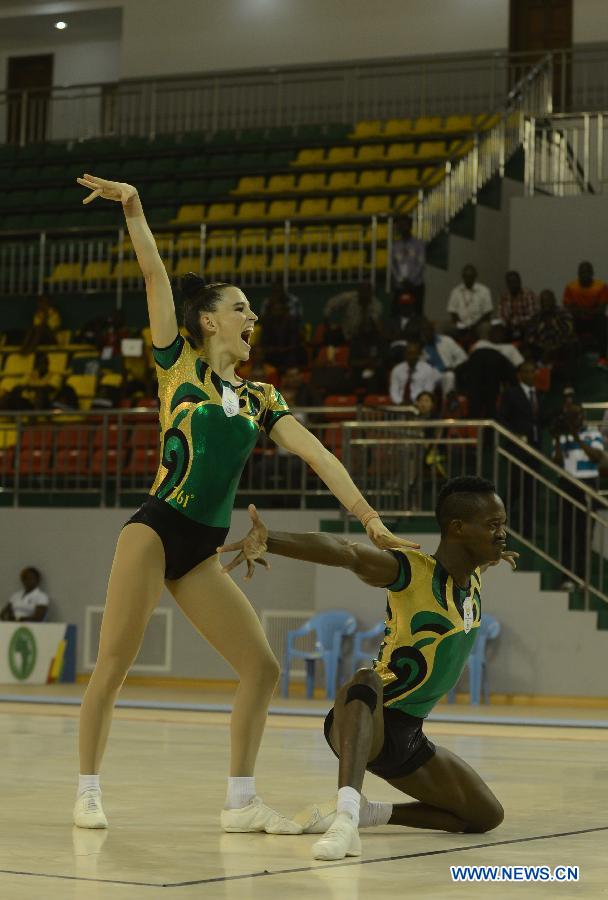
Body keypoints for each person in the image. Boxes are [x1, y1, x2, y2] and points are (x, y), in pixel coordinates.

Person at [72, 172, 418, 834]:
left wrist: (371, 521)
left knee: (261, 667)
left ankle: (239, 801)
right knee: (114, 663)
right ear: (210, 320)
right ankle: (87, 787)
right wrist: (135, 211)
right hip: (155, 528)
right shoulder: (177, 364)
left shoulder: (263, 396)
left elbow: (318, 455)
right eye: (242, 309)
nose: (253, 319)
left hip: (204, 547)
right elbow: (153, 278)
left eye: (253, 313)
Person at [218, 477, 518, 860]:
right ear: (458, 529)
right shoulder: (411, 571)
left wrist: (492, 555)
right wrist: (270, 539)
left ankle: (370, 812)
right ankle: (346, 820)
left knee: (484, 816)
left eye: (502, 524)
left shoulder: (473, 577)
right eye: (493, 525)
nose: (502, 534)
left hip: (408, 738)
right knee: (365, 678)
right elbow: (348, 552)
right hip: (366, 718)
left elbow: (478, 564)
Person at [552, 404, 605, 583]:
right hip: (566, 484)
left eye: (576, 414)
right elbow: (556, 462)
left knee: (584, 533)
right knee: (566, 532)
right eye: (570, 415)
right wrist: (558, 440)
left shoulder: (593, 434)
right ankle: (566, 575)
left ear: (582, 416)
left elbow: (597, 457)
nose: (573, 418)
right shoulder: (561, 434)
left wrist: (577, 437)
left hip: (587, 485)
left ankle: (582, 576)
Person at [498, 361, 544, 538]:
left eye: (532, 371)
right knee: (515, 488)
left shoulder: (538, 394)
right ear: (519, 375)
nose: (529, 374)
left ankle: (527, 531)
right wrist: (515, 435)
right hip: (517, 450)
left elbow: (539, 420)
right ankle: (500, 522)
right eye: (526, 371)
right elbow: (501, 417)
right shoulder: (511, 393)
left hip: (535, 448)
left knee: (531, 491)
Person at [524, 289, 577, 381]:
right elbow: (530, 335)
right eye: (543, 301)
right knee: (526, 348)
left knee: (571, 346)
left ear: (554, 301)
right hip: (542, 347)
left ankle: (569, 383)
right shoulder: (536, 317)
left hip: (561, 345)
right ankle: (534, 380)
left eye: (548, 300)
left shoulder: (563, 313)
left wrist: (553, 347)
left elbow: (568, 332)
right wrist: (543, 346)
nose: (546, 303)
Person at [562, 261, 608, 356]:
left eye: (587, 272)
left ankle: (602, 355)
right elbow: (568, 308)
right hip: (578, 318)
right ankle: (570, 356)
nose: (584, 275)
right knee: (566, 322)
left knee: (603, 321)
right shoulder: (571, 287)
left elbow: (601, 309)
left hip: (594, 319)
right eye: (582, 273)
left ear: (592, 274)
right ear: (578, 274)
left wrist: (585, 311)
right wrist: (581, 312)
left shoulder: (601, 287)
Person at [259, 289, 306, 369]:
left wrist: (284, 349)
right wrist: (274, 349)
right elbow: (264, 342)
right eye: (275, 309)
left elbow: (295, 341)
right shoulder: (267, 324)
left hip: (288, 352)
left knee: (295, 354)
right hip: (272, 354)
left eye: (280, 309)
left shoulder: (291, 322)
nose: (277, 312)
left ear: (284, 310)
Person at [390, 215, 426, 317]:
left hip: (416, 285)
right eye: (400, 225)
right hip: (400, 286)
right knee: (396, 313)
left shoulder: (419, 244)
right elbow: (393, 266)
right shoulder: (395, 245)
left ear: (410, 226)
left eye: (404, 225)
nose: (402, 227)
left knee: (417, 313)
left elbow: (421, 263)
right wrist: (400, 280)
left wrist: (411, 280)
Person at [389, 340, 442, 405]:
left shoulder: (428, 370)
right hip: (401, 404)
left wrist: (417, 403)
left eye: (414, 353)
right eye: (409, 353)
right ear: (405, 354)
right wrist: (400, 402)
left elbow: (428, 391)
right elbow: (394, 391)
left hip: (420, 405)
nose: (411, 356)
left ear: (418, 354)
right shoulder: (397, 369)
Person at [447, 265, 493, 335]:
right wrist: (461, 325)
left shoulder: (484, 290)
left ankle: (483, 345)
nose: (468, 279)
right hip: (460, 323)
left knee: (486, 327)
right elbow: (452, 311)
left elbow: (487, 313)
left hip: (478, 325)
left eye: (471, 276)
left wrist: (474, 326)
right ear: (462, 277)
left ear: (475, 276)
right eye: (466, 276)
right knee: (442, 326)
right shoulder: (456, 291)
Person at [498, 271, 538, 339]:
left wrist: (517, 322)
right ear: (507, 284)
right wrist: (507, 323)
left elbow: (533, 315)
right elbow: (502, 316)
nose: (514, 284)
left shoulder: (528, 294)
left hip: (525, 326)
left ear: (520, 282)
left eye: (515, 281)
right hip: (510, 327)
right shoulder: (504, 297)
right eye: (511, 282)